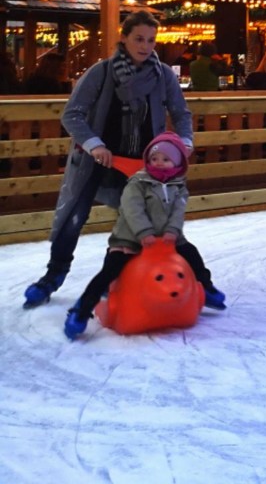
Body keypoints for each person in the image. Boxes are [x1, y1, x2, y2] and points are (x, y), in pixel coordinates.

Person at [23, 11, 194, 309]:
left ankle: (114, 278)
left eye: (151, 40)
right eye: (139, 38)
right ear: (124, 37)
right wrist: (94, 144)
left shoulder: (162, 74)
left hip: (141, 167)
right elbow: (72, 114)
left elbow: (181, 113)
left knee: (134, 223)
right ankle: (53, 276)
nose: (145, 46)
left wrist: (185, 141)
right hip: (96, 161)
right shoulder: (101, 72)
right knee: (73, 218)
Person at [63, 132, 225, 340]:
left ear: (176, 162)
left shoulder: (178, 186)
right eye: (154, 159)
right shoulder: (138, 182)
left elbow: (178, 211)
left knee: (192, 255)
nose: (159, 163)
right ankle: (81, 311)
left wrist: (173, 231)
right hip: (130, 238)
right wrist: (144, 232)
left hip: (167, 239)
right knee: (109, 272)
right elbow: (132, 210)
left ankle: (207, 289)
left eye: (165, 160)